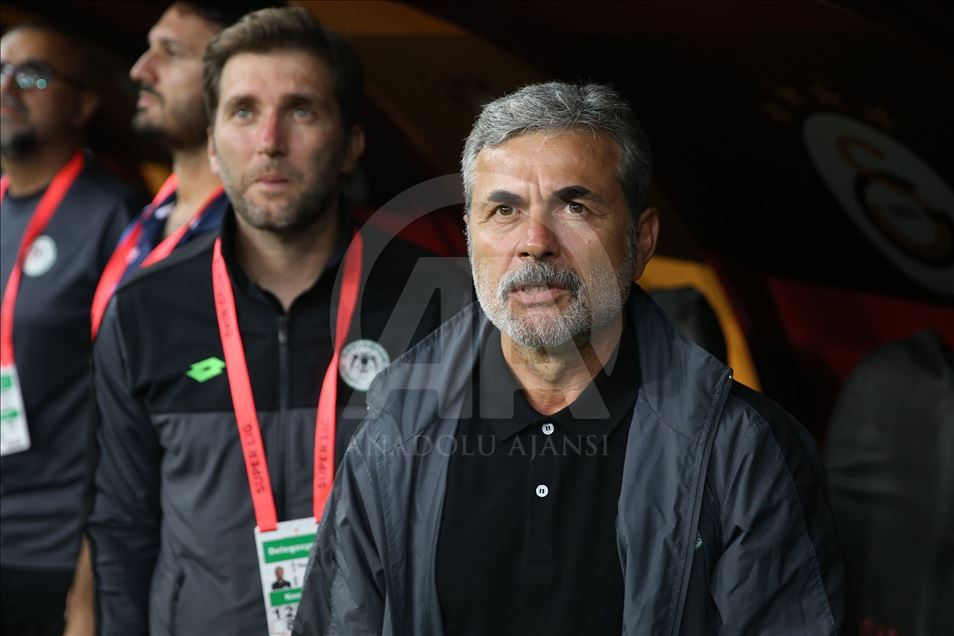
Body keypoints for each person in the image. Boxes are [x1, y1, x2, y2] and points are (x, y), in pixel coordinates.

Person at [295, 82, 846, 635]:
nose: (535, 241)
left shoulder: (747, 450)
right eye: (504, 209)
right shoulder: (393, 435)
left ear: (642, 240)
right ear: (469, 236)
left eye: (575, 206)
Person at [87, 7, 470, 636]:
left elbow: (477, 514)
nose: (270, 140)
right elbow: (121, 525)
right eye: (243, 111)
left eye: (301, 111)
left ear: (350, 145)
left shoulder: (439, 303)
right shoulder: (145, 311)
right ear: (212, 145)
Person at [0, 23, 141, 636]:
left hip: (52, 548)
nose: (7, 87)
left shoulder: (116, 213)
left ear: (83, 105)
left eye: (32, 75)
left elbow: (131, 402)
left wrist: (88, 575)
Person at [90, 1, 272, 337]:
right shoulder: (155, 212)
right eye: (150, 49)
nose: (140, 70)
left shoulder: (255, 235)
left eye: (171, 53)